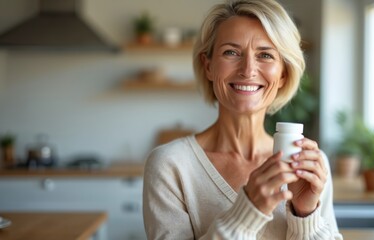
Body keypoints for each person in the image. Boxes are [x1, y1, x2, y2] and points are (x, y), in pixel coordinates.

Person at [143, 0, 343, 239]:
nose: (248, 70)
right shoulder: (170, 166)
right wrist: (248, 212)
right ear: (208, 66)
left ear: (283, 74)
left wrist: (306, 215)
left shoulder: (310, 166)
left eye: (265, 55)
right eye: (231, 52)